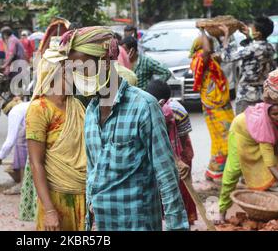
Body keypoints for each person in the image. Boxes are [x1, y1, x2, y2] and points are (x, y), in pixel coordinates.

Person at [62, 26, 188, 231]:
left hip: (138, 224)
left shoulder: (144, 106)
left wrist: (177, 227)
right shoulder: (91, 113)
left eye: (81, 68)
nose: (76, 76)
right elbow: (92, 174)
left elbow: (166, 175)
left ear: (104, 62)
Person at [26, 39, 87, 231]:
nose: (74, 75)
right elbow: (36, 162)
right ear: (53, 74)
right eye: (69, 71)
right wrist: (50, 211)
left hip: (85, 194)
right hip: (57, 197)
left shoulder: (76, 105)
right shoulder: (39, 109)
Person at [217, 103, 278, 223]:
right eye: (275, 114)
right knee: (233, 170)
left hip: (275, 133)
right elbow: (270, 164)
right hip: (242, 134)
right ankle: (222, 210)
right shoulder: (264, 128)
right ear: (268, 114)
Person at [146, 80, 198, 225]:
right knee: (160, 186)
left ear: (162, 102)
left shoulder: (178, 112)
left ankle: (185, 220)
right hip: (159, 146)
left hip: (180, 148)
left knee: (182, 186)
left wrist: (179, 160)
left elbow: (182, 138)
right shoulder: (146, 107)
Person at [190, 35, 235, 181]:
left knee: (232, 134)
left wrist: (225, 35)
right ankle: (215, 171)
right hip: (213, 105)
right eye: (208, 43)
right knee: (222, 138)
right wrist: (203, 32)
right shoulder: (199, 60)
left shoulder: (212, 59)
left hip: (223, 102)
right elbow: (207, 52)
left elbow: (225, 54)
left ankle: (218, 171)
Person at [219, 16, 276, 114]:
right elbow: (254, 52)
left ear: (258, 33)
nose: (250, 30)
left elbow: (227, 58)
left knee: (242, 127)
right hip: (263, 95)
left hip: (247, 96)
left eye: (252, 29)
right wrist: (248, 37)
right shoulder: (270, 47)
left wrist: (226, 36)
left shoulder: (253, 48)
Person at [0, 97, 29, 195]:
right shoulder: (24, 106)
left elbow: (10, 141)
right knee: (21, 138)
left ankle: (23, 185)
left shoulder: (14, 112)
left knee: (20, 141)